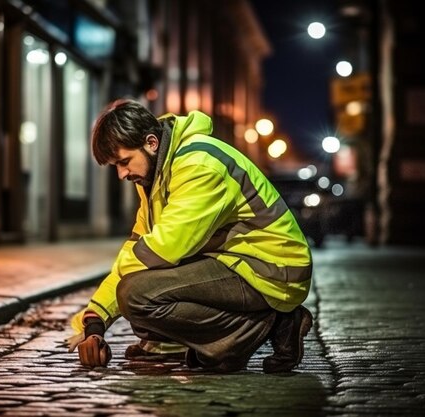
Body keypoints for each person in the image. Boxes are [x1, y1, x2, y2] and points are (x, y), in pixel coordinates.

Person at [66, 99, 313, 373]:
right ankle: (193, 344)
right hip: (235, 263)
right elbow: (137, 249)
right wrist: (95, 319)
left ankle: (274, 326)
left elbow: (164, 249)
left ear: (151, 143)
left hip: (272, 268)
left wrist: (110, 309)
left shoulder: (198, 164)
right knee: (139, 294)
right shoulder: (157, 175)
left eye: (124, 161)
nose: (122, 173)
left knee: (137, 295)